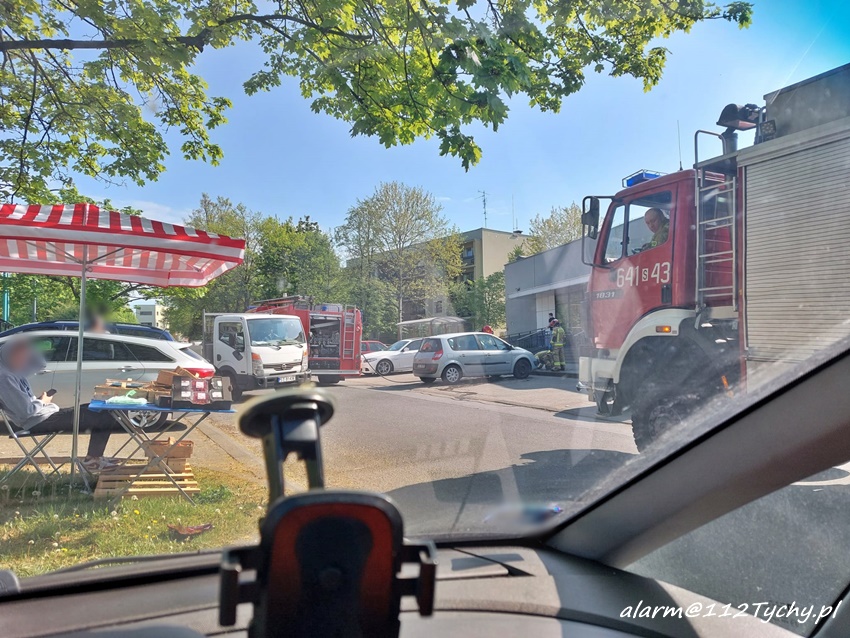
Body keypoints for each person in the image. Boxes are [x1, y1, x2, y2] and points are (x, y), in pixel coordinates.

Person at [0, 337, 122, 472]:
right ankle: (93, 460)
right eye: (20, 358)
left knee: (98, 409)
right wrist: (43, 401)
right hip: (39, 421)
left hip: (45, 415)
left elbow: (26, 403)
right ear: (8, 355)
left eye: (25, 358)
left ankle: (95, 458)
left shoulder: (12, 372)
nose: (23, 362)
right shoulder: (5, 377)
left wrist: (40, 400)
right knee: (104, 413)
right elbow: (25, 411)